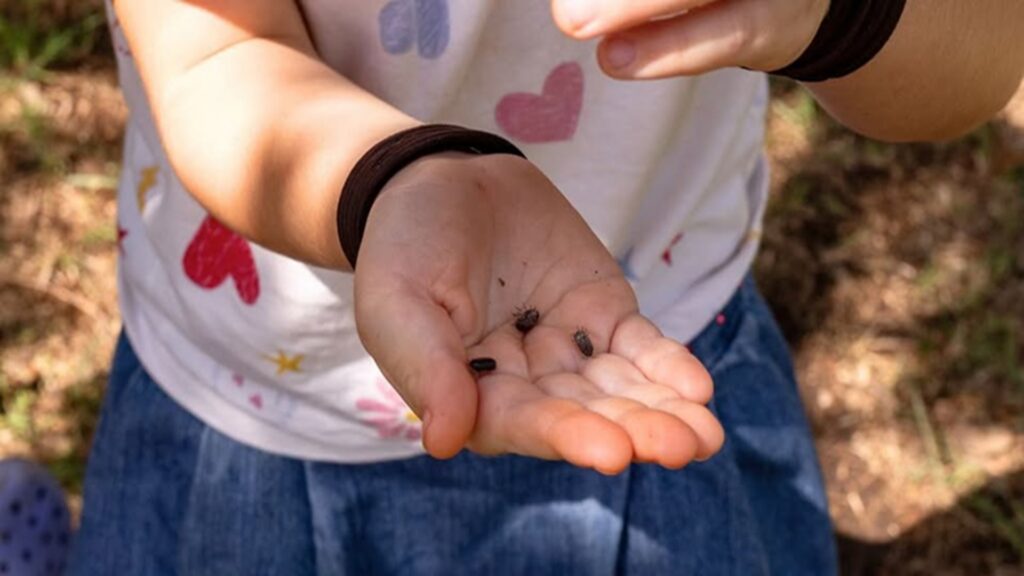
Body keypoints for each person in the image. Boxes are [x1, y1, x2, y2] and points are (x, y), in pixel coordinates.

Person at [68, 1, 1024, 574]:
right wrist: (397, 179)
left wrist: (832, 15)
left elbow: (981, 48)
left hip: (655, 350)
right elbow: (215, 52)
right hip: (251, 406)